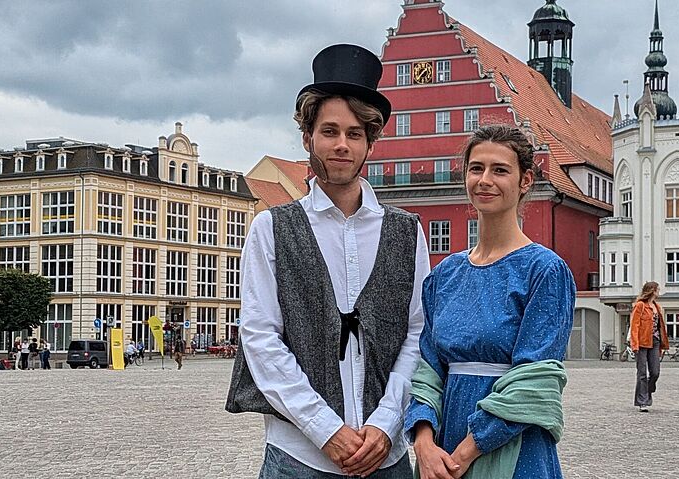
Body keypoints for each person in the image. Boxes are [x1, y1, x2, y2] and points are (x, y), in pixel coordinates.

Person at [225, 43, 428, 478]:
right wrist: (325, 429)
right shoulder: (271, 228)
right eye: (330, 131)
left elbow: (417, 333)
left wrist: (386, 423)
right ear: (307, 137)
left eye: (355, 134)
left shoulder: (407, 232)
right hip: (299, 455)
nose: (342, 145)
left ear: (370, 143)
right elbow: (260, 337)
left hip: (385, 457)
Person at [405, 125, 574, 479]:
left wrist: (464, 454)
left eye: (500, 170)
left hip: (515, 450)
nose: (485, 179)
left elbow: (533, 381)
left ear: (525, 181)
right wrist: (423, 444)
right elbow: (429, 369)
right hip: (442, 447)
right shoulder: (444, 274)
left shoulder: (544, 271)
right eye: (476, 168)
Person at [630, 281, 669, 412]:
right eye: (658, 289)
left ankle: (646, 391)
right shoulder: (640, 306)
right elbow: (634, 326)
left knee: (655, 372)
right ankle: (642, 401)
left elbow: (660, 326)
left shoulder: (657, 306)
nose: (659, 291)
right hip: (642, 342)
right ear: (652, 290)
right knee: (641, 373)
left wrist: (662, 344)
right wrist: (634, 344)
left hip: (655, 342)